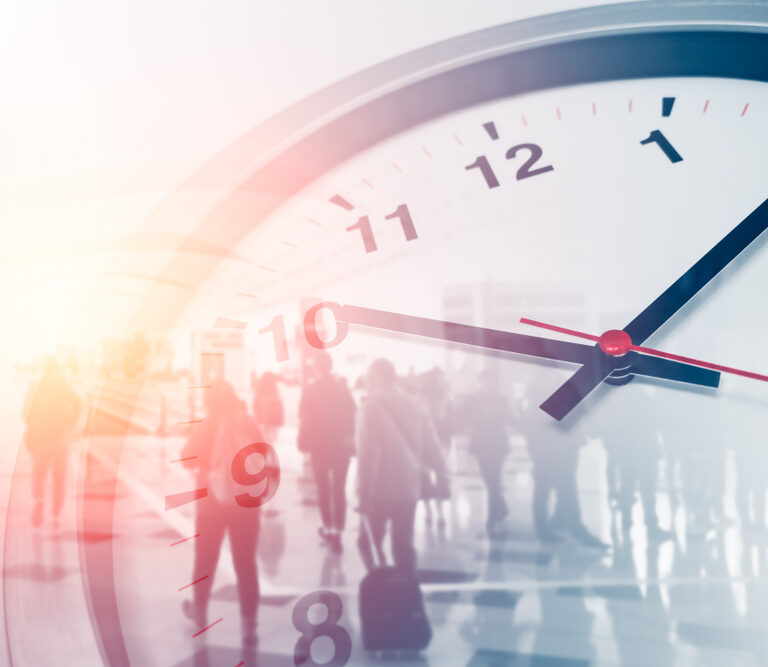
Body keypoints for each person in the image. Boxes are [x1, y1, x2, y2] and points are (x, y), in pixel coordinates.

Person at [180, 380, 264, 647]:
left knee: (205, 560)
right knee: (246, 563)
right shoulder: (247, 423)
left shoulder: (207, 425)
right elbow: (264, 454)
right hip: (246, 504)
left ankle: (200, 613)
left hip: (211, 505)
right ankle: (249, 625)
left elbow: (186, 456)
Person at [356, 358, 447, 573]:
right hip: (409, 488)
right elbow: (433, 446)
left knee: (367, 542)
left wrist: (363, 491)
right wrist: (443, 478)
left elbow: (368, 453)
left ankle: (379, 580)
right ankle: (406, 585)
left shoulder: (370, 407)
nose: (367, 382)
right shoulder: (416, 404)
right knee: (404, 546)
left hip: (379, 491)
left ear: (377, 377)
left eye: (369, 377)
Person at [297, 352, 356, 550]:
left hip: (319, 447)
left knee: (323, 488)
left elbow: (305, 419)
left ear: (316, 368)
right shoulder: (342, 390)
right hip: (340, 447)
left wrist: (304, 441)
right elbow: (352, 416)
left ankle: (328, 527)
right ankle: (338, 530)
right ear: (330, 366)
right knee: (339, 488)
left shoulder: (311, 391)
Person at [23, 358, 81, 527]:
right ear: (57, 370)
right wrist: (70, 422)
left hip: (40, 436)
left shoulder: (35, 386)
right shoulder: (64, 386)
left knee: (38, 473)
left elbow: (25, 412)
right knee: (59, 477)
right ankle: (56, 513)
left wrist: (33, 424)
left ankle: (39, 500)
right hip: (60, 436)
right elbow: (79, 404)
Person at [460, 370, 512, 532]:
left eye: (491, 381)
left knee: (494, 480)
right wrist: (468, 428)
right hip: (481, 444)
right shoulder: (474, 400)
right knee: (489, 480)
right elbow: (464, 418)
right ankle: (502, 507)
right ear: (481, 382)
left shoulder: (501, 400)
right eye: (486, 381)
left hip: (497, 445)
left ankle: (492, 515)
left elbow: (507, 418)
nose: (489, 384)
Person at [251, 371, 284, 444]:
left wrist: (258, 418)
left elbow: (255, 405)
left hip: (263, 420)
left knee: (265, 439)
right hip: (272, 420)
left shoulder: (259, 391)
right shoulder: (275, 391)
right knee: (271, 440)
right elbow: (279, 406)